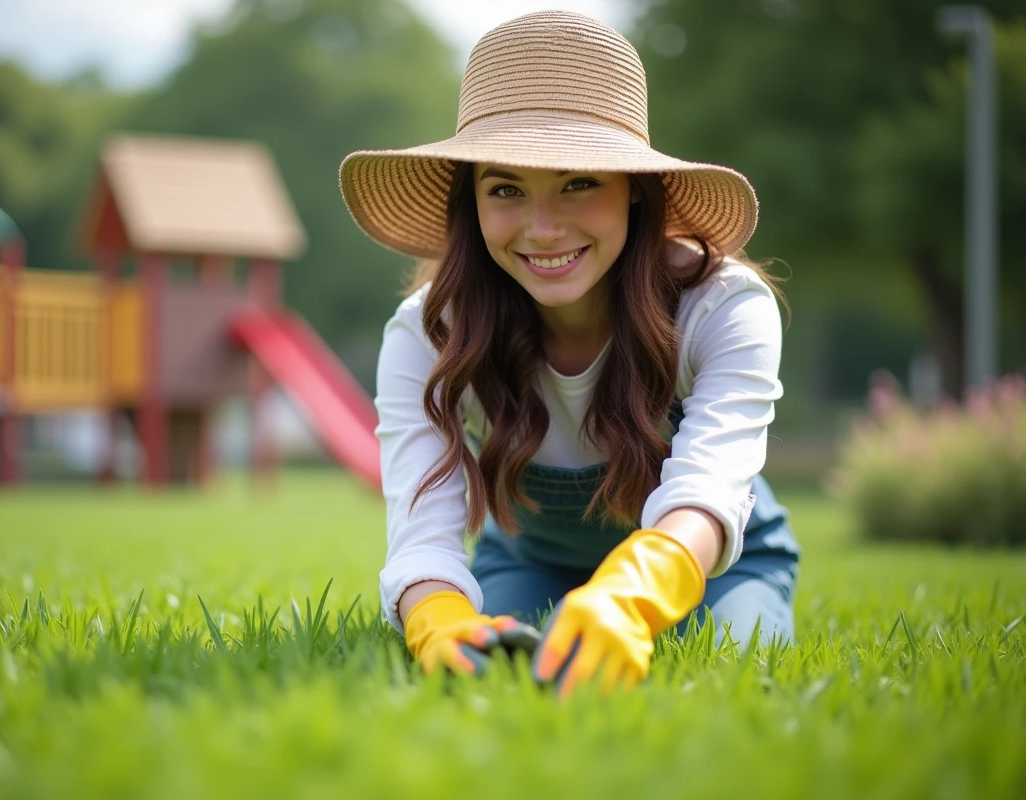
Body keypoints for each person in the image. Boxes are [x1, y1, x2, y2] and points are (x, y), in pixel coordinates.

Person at [339, 11, 800, 696]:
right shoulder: (426, 334)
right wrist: (436, 619)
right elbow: (422, 532)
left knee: (724, 674)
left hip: (716, 563)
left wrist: (631, 597)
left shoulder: (724, 307)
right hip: (530, 562)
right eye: (505, 189)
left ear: (635, 192)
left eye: (578, 181)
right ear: (470, 202)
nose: (544, 227)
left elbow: (707, 491)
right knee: (497, 679)